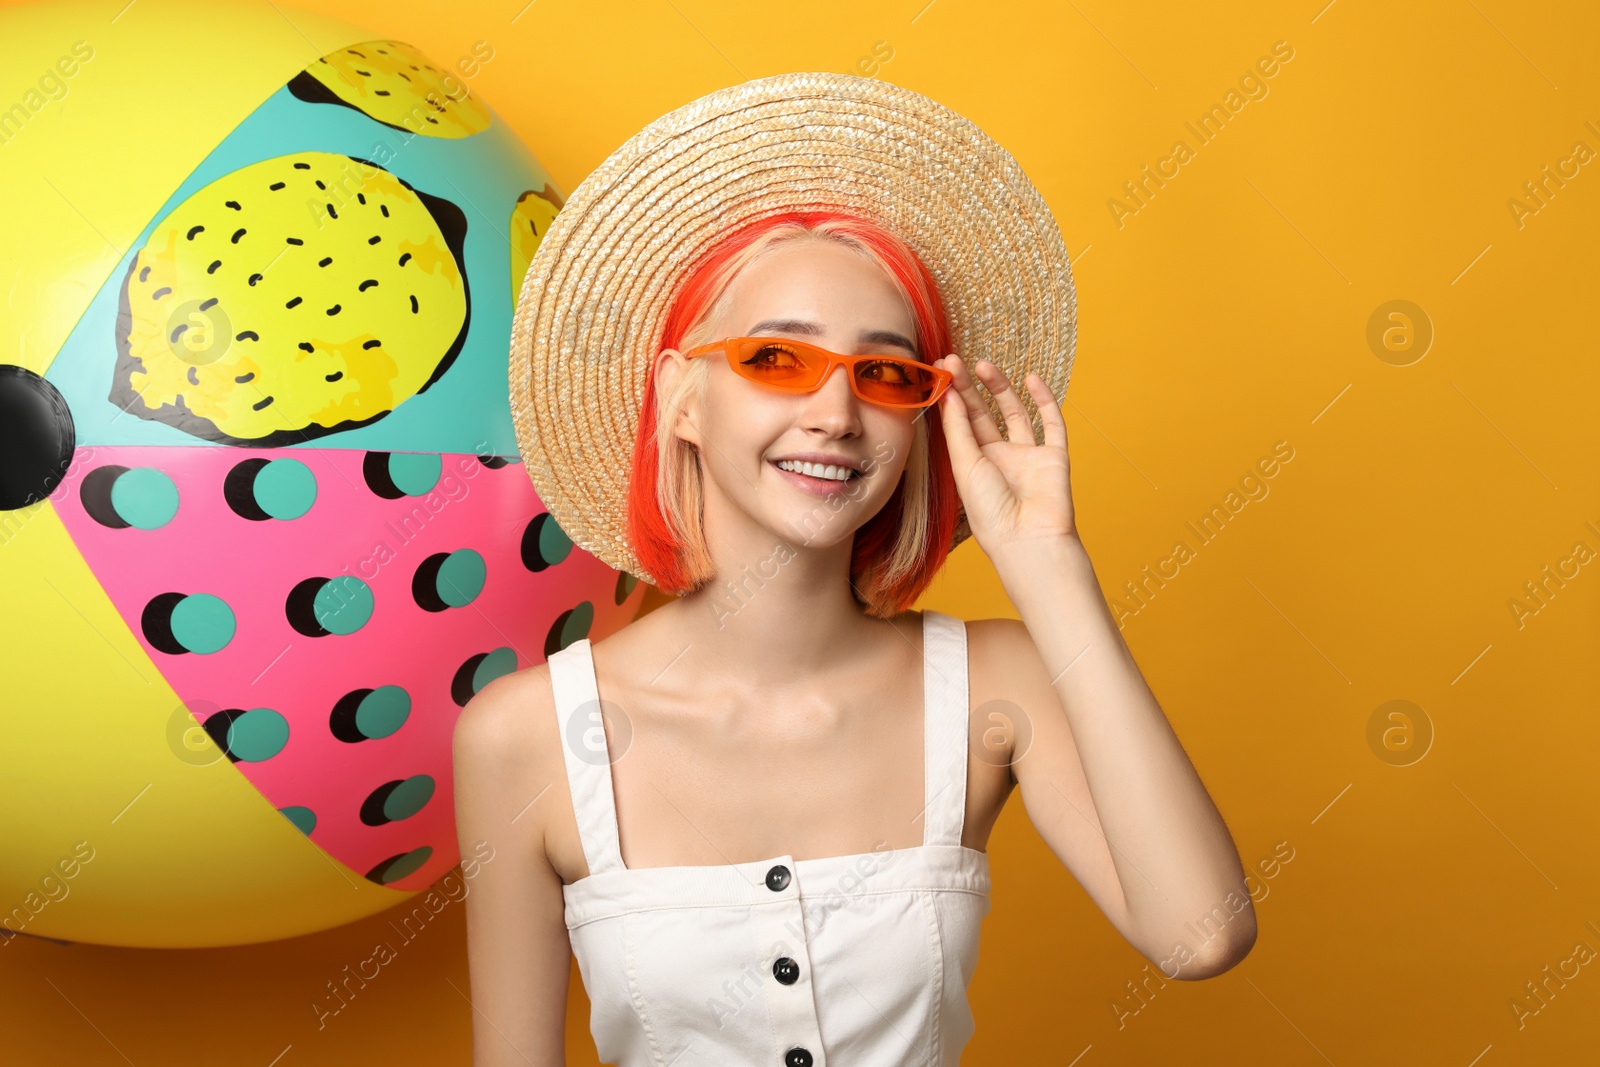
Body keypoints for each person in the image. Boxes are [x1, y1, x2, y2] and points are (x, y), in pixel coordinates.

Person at [454, 73, 1254, 1067]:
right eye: (777, 358)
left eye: (883, 373)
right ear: (681, 399)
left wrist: (1045, 564)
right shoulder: (521, 737)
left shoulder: (997, 687)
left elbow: (1202, 931)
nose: (836, 414)